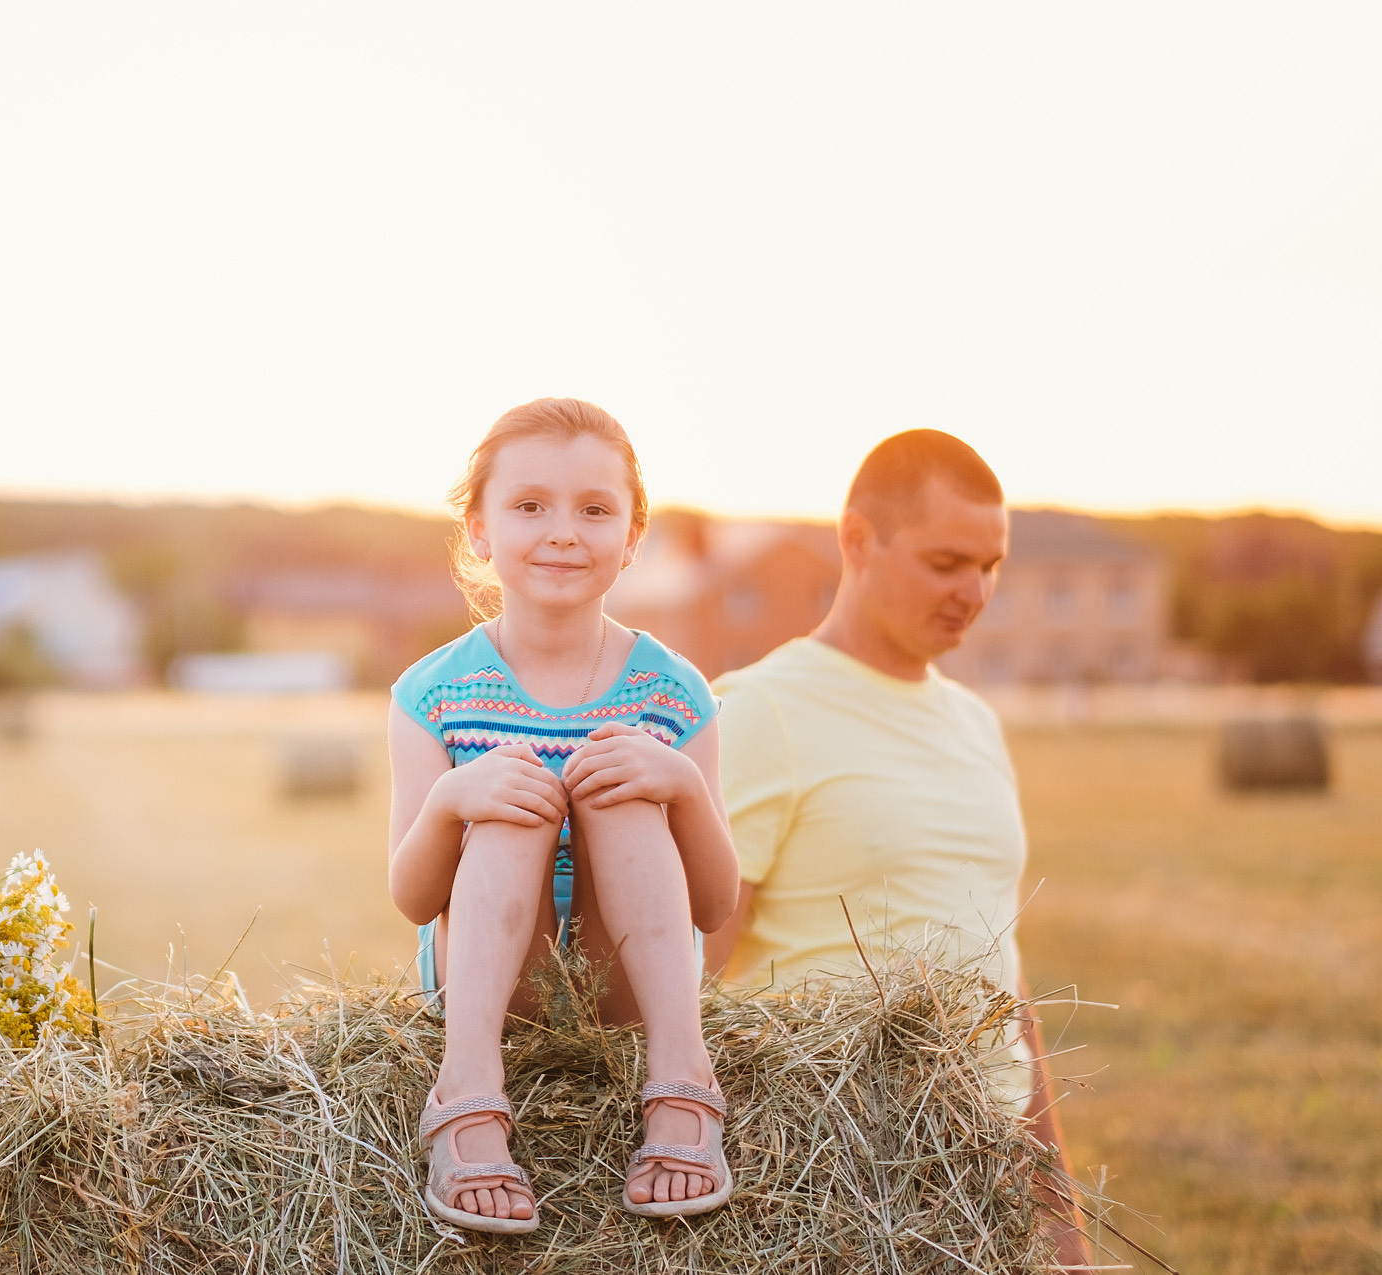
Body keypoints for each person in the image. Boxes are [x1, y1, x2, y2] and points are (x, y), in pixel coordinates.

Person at [699, 429, 1090, 1267]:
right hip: (827, 1193)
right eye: (946, 562)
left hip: (980, 1201)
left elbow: (1000, 979)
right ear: (857, 539)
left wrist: (1058, 1214)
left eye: (990, 565)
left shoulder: (976, 723)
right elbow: (687, 970)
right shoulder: (760, 711)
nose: (974, 592)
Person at [387, 398, 741, 1233]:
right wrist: (452, 800)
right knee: (510, 796)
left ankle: (683, 1080)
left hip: (629, 984)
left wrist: (682, 785)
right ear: (479, 530)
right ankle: (468, 1086)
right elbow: (411, 897)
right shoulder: (432, 693)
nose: (562, 532)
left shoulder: (674, 691)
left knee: (621, 782)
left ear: (633, 535)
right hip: (494, 984)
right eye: (529, 505)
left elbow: (716, 905)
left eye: (594, 510)